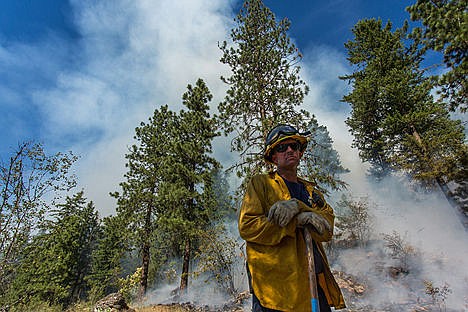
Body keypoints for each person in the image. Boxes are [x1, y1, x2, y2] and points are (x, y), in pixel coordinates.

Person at [238, 124, 346, 311]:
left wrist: (300, 207)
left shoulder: (311, 192)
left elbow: (326, 229)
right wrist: (295, 222)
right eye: (282, 147)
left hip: (310, 284)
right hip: (275, 290)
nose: (289, 150)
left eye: (294, 146)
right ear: (273, 156)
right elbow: (248, 226)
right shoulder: (260, 184)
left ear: (300, 153)